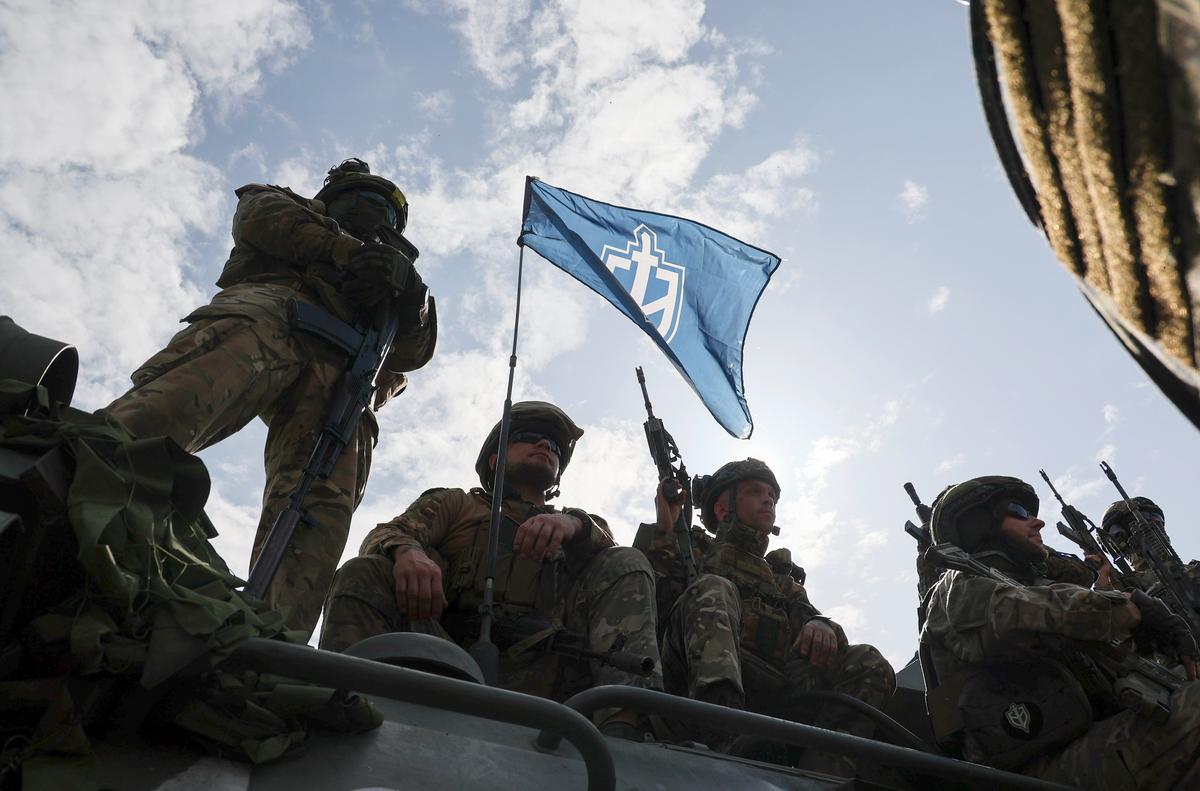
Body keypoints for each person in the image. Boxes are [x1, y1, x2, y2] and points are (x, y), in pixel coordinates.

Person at [103, 158, 436, 636]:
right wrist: (345, 252)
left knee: (316, 515)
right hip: (272, 320)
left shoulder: (402, 276)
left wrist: (410, 297)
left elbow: (412, 352)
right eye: (364, 199)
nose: (374, 212)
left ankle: (273, 642)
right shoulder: (290, 208)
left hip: (345, 380)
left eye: (385, 208)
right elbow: (260, 219)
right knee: (163, 416)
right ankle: (82, 485)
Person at [319, 401, 662, 737]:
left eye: (555, 446)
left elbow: (609, 552)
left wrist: (571, 523)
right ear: (495, 459)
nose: (545, 445)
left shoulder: (579, 528)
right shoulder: (456, 504)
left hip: (547, 669)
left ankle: (623, 727)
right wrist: (409, 553)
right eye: (528, 436)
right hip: (447, 657)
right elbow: (386, 534)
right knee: (365, 570)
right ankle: (341, 706)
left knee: (628, 561)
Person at [921, 475, 1200, 790]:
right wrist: (1135, 608)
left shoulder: (1026, 585)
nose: (1038, 522)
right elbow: (1035, 611)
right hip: (1036, 771)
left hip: (1090, 742)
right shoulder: (955, 590)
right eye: (1019, 511)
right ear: (977, 523)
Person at [643, 458, 895, 772]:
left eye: (772, 497)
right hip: (688, 694)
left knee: (868, 662)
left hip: (771, 699)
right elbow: (651, 605)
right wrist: (664, 530)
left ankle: (821, 774)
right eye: (754, 492)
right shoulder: (692, 548)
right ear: (724, 509)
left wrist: (822, 624)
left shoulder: (781, 581)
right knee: (714, 587)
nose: (768, 501)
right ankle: (721, 737)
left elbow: (813, 624)